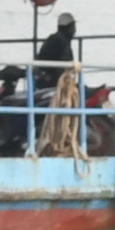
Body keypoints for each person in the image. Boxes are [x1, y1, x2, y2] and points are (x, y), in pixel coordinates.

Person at [34, 10, 83, 159]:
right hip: (56, 85)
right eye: (73, 26)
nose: (75, 30)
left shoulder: (58, 40)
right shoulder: (60, 41)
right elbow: (57, 64)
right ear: (69, 27)